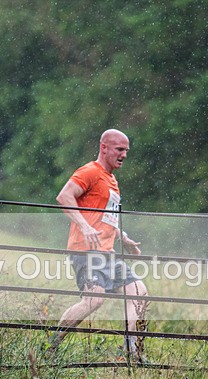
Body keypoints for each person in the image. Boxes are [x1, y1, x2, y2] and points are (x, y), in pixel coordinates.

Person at [48, 129, 149, 362]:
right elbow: (64, 197)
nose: (124, 155)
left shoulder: (112, 180)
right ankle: (50, 346)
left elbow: (105, 217)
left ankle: (132, 352)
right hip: (85, 250)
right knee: (94, 300)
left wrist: (122, 236)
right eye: (119, 149)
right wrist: (84, 226)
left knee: (139, 293)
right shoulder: (90, 171)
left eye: (126, 151)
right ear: (104, 148)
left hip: (107, 252)